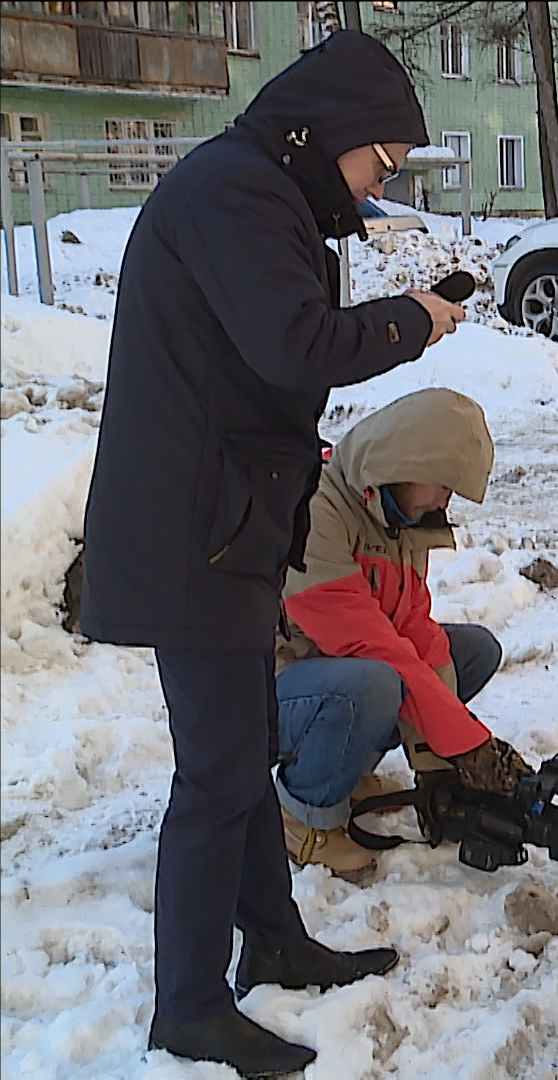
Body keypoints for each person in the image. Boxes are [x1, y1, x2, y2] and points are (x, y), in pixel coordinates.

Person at [78, 31, 468, 1079]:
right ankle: (189, 1006)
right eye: (378, 163)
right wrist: (410, 322)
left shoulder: (256, 190)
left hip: (225, 523)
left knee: (242, 749)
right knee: (215, 775)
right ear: (329, 133)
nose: (379, 183)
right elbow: (294, 344)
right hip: (191, 534)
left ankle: (276, 941)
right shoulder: (237, 194)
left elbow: (264, 358)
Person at [274, 387, 532, 882]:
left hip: (340, 674)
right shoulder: (316, 508)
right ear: (403, 462)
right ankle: (300, 814)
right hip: (266, 689)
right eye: (441, 485)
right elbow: (370, 645)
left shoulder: (397, 517)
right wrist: (469, 746)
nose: (444, 501)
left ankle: (346, 773)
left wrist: (437, 767)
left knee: (471, 651)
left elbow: (415, 631)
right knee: (374, 682)